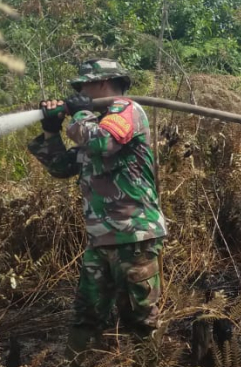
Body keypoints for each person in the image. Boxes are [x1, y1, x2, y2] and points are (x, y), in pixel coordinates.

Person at [28, 58, 167, 366]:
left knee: (139, 320)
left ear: (102, 84)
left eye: (83, 86)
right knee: (86, 317)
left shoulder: (127, 111)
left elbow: (102, 141)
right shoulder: (95, 122)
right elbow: (62, 168)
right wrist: (51, 132)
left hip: (134, 236)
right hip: (100, 240)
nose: (79, 92)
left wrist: (79, 113)